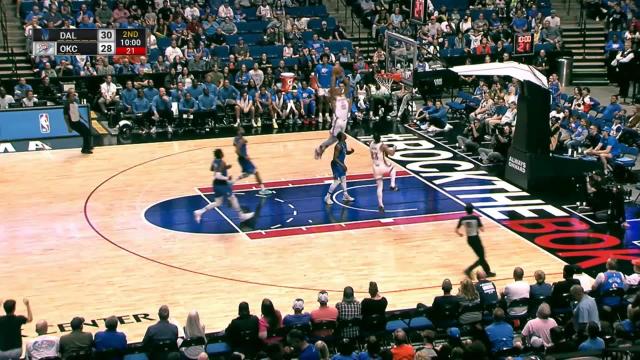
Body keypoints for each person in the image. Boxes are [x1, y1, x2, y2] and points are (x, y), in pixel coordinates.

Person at [193, 149, 255, 224]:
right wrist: (227, 178)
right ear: (220, 154)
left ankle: (200, 212)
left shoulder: (215, 160)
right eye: (222, 152)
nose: (223, 154)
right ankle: (241, 216)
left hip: (216, 184)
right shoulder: (221, 162)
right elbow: (217, 175)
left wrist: (225, 167)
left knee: (218, 203)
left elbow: (212, 169)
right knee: (233, 198)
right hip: (222, 184)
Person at [314, 65, 350, 160]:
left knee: (337, 139)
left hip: (344, 120)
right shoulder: (334, 98)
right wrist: (334, 75)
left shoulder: (344, 95)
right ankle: (320, 148)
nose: (339, 89)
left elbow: (348, 85)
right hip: (338, 121)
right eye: (337, 89)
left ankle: (322, 148)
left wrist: (342, 75)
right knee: (333, 139)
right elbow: (332, 86)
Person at [456, 203, 495, 278]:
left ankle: (487, 271)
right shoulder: (476, 218)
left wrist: (460, 234)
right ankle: (469, 269)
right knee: (482, 257)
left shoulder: (462, 219)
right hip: (476, 238)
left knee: (481, 257)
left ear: (466, 210)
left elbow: (456, 230)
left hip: (469, 239)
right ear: (472, 210)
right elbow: (482, 229)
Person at [233, 127, 273, 195]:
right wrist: (244, 156)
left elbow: (234, 145)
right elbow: (237, 150)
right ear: (239, 131)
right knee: (256, 172)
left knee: (248, 174)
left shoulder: (236, 138)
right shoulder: (241, 140)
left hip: (241, 159)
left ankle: (231, 182)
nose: (243, 130)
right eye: (242, 129)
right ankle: (263, 190)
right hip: (244, 159)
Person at [369, 133, 398, 213]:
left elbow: (375, 145)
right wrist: (394, 148)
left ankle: (381, 205)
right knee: (393, 168)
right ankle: (392, 185)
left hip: (375, 167)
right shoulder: (382, 145)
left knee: (379, 187)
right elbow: (391, 153)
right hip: (382, 166)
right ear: (380, 138)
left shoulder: (371, 143)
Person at [324, 132, 355, 205]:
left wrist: (351, 152)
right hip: (336, 164)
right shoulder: (338, 146)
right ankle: (327, 197)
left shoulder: (344, 143)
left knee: (343, 178)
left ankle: (345, 195)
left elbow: (345, 152)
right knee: (337, 181)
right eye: (344, 134)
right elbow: (334, 158)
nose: (345, 135)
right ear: (341, 137)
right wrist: (342, 165)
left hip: (340, 163)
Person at [63, 88, 93, 154]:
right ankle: (85, 149)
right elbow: (65, 117)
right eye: (72, 93)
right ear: (69, 94)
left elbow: (77, 111)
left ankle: (87, 146)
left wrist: (82, 118)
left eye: (74, 92)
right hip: (73, 123)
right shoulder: (67, 104)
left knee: (87, 132)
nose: (74, 94)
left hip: (77, 121)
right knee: (86, 133)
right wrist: (69, 127)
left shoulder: (74, 102)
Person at [313, 54, 334, 125]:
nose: (325, 59)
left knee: (327, 101)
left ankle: (327, 115)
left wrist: (331, 85)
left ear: (328, 59)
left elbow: (332, 77)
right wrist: (317, 83)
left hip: (328, 86)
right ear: (322, 59)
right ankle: (320, 115)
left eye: (326, 58)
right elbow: (315, 76)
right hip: (321, 87)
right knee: (320, 100)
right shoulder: (318, 67)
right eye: (323, 58)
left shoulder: (331, 67)